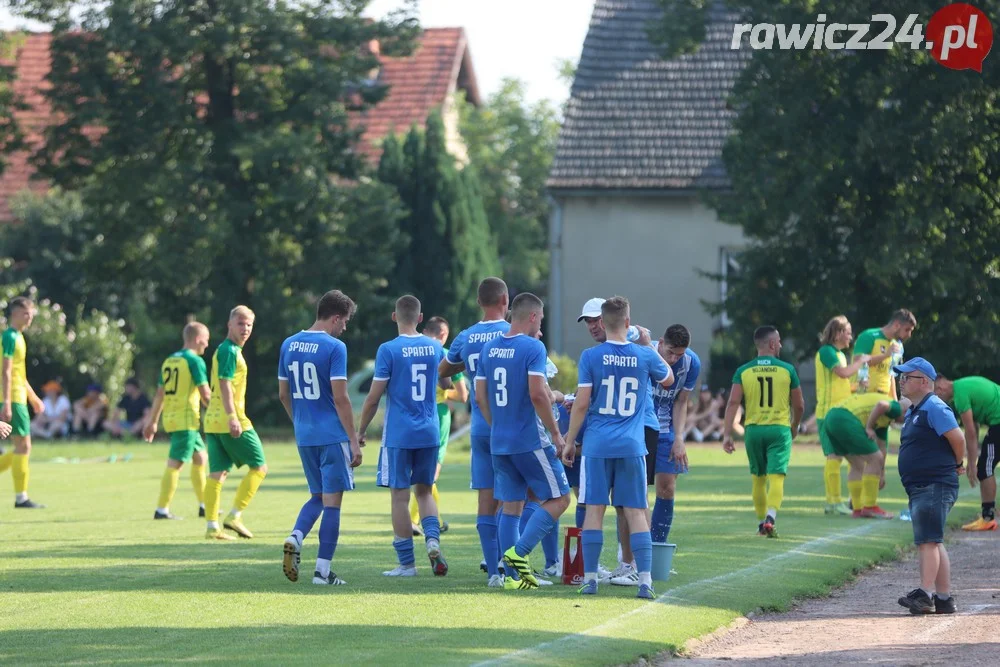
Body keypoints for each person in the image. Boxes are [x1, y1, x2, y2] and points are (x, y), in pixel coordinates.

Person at [564, 296, 673, 600]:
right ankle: (645, 581)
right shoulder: (644, 355)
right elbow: (669, 378)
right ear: (628, 322)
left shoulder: (590, 356)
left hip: (597, 445)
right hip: (632, 444)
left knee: (594, 509)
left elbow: (582, 402)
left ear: (602, 321)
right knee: (636, 511)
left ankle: (590, 579)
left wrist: (571, 440)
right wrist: (649, 345)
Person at [476, 292, 570, 590]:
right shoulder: (533, 347)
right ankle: (519, 555)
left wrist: (497, 425)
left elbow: (480, 396)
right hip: (529, 439)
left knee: (511, 507)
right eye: (540, 319)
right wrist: (556, 433)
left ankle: (512, 579)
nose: (539, 324)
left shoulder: (489, 349)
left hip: (499, 440)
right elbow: (538, 393)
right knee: (560, 498)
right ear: (532, 317)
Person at [278, 290, 362, 586]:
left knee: (317, 496)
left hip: (305, 435)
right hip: (331, 436)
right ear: (335, 318)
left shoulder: (288, 344)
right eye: (345, 322)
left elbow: (283, 394)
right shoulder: (334, 347)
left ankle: (295, 536)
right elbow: (341, 398)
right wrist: (353, 440)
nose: (345, 328)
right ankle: (322, 572)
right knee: (333, 504)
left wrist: (300, 423)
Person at [360, 295, 448, 577]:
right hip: (429, 431)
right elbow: (446, 380)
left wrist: (360, 431)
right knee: (423, 491)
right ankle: (432, 540)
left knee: (399, 496)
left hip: (399, 433)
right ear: (421, 318)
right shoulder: (434, 347)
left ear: (394, 316)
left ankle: (407, 565)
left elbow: (373, 398)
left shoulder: (388, 350)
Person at [438, 278, 510, 582]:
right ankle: (513, 564)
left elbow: (443, 370)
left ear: (479, 302)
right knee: (522, 498)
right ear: (505, 300)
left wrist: (467, 366)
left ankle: (493, 570)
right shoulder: (514, 332)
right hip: (510, 426)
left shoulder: (466, 336)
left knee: (485, 498)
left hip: (479, 426)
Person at [893, 357, 964, 615]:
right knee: (933, 540)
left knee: (927, 541)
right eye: (900, 377)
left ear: (924, 381)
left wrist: (958, 463)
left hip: (935, 483)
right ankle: (944, 598)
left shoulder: (934, 406)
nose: (901, 381)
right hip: (923, 485)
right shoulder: (915, 409)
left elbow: (958, 438)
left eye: (906, 377)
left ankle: (925, 595)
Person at [722, 326, 804, 538]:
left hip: (753, 430)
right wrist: (794, 426)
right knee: (776, 475)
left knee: (758, 477)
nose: (781, 345)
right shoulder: (787, 370)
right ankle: (771, 517)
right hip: (779, 429)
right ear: (772, 344)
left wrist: (727, 434)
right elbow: (800, 405)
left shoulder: (743, 370)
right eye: (779, 341)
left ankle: (761, 524)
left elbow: (732, 403)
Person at [202, 305, 267, 541]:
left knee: (217, 474)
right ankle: (234, 516)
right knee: (259, 467)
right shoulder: (229, 351)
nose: (245, 328)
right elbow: (225, 384)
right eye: (240, 323)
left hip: (212, 421)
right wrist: (232, 417)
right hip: (232, 419)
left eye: (249, 324)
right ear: (229, 325)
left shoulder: (225, 350)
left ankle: (212, 527)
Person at [143, 322, 212, 520]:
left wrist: (153, 421)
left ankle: (204, 505)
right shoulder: (195, 361)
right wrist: (223, 413)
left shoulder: (170, 360)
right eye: (206, 341)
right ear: (198, 339)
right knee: (176, 463)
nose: (206, 346)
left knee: (200, 458)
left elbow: (159, 394)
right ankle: (162, 509)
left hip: (172, 418)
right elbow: (205, 393)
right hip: (186, 420)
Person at [410, 316, 468, 535]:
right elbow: (463, 395)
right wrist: (442, 394)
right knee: (430, 473)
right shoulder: (445, 355)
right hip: (438, 416)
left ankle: (427, 519)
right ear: (444, 335)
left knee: (421, 471)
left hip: (414, 416)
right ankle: (416, 519)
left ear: (425, 330)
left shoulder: (411, 350)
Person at [815, 316, 871, 515]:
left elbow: (842, 383)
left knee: (846, 458)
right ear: (838, 333)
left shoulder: (838, 354)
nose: (850, 337)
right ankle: (833, 502)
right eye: (848, 332)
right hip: (827, 413)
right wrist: (861, 361)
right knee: (834, 456)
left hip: (840, 414)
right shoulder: (826, 352)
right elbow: (843, 373)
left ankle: (843, 501)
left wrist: (857, 387)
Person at [650, 325, 701, 545]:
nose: (672, 359)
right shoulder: (646, 353)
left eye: (678, 354)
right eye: (670, 352)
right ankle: (629, 556)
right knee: (633, 494)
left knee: (667, 487)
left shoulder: (691, 363)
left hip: (666, 428)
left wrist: (679, 438)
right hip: (639, 427)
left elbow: (681, 401)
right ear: (660, 342)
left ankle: (658, 546)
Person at [822, 392, 909, 520]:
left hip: (831, 417)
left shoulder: (884, 421)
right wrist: (869, 427)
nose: (905, 421)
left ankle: (857, 508)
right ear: (905, 411)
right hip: (845, 418)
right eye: (907, 417)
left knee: (857, 465)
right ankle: (870, 507)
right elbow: (881, 405)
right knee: (874, 458)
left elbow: (882, 447)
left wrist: (882, 473)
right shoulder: (896, 407)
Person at [934, 374, 1000, 531]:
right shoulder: (962, 386)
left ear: (940, 388)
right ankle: (987, 517)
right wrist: (973, 458)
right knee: (985, 466)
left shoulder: (960, 395)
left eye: (935, 396)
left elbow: (969, 432)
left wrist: (971, 463)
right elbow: (974, 426)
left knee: (985, 468)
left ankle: (988, 518)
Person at [0, 296, 45, 508]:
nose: (30, 318)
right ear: (15, 313)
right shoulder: (9, 336)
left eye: (31, 314)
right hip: (13, 399)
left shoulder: (19, 337)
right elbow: (6, 371)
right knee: (23, 446)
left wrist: (34, 398)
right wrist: (7, 402)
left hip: (19, 396)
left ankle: (22, 497)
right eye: (27, 314)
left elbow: (20, 374)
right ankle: (21, 498)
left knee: (21, 446)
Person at [854, 309, 917, 399]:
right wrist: (885, 355)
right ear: (896, 325)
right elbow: (858, 362)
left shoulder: (897, 345)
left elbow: (891, 374)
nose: (909, 334)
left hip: (884, 396)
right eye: (907, 330)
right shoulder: (869, 336)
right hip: (863, 394)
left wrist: (894, 400)